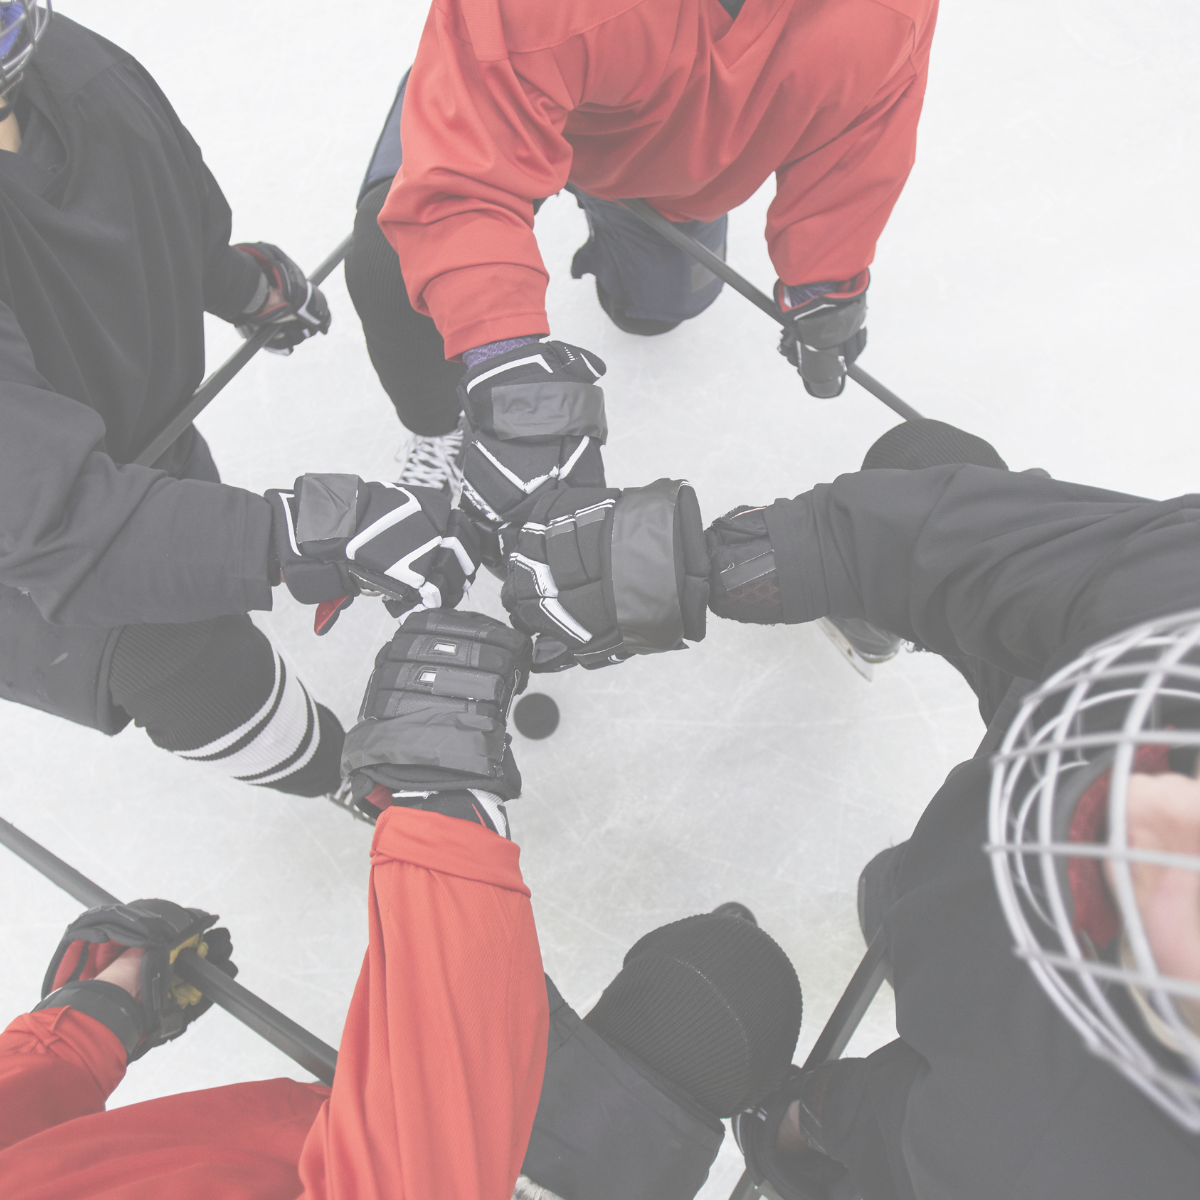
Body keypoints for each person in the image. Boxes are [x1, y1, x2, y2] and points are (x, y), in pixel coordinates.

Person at [0, 611, 805, 1200]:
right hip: (429, 1166)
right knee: (726, 990)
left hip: (338, 1143)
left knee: (710, 996)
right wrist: (445, 820)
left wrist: (88, 1022)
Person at [695, 418, 1200, 1198]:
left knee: (823, 1115)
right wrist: (781, 555)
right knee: (923, 465)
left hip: (996, 1084)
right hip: (1011, 822)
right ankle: (915, 908)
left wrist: (797, 1129)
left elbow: (915, 1135)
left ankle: (785, 1148)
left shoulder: (1055, 1146)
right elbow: (1030, 557)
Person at [0, 4, 477, 803]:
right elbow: (51, 520)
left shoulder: (76, 68)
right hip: (25, 541)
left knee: (194, 539)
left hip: (124, 431)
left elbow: (158, 202)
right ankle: (348, 778)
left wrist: (239, 284)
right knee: (182, 658)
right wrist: (301, 533)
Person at [343, 0, 939, 532]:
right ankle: (436, 425)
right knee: (386, 258)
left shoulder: (890, 12)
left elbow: (861, 144)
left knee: (652, 314)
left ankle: (603, 208)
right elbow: (465, 185)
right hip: (501, 94)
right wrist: (505, 363)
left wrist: (826, 285)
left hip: (660, 169)